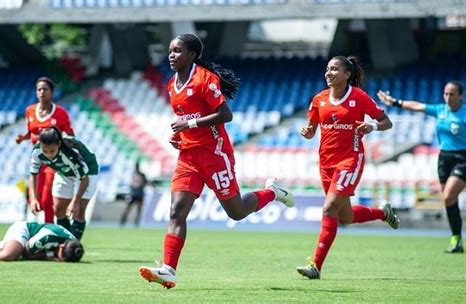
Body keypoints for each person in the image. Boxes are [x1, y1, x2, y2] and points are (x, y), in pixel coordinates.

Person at [138, 33, 294, 289]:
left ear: (192, 55)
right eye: (170, 51)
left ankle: (273, 192)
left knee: (237, 212)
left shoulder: (205, 79)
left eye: (177, 51)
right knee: (177, 210)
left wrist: (187, 124)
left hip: (214, 154)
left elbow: (225, 114)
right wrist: (180, 134)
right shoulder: (171, 84)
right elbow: (187, 117)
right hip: (188, 156)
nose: (171, 55)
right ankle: (169, 270)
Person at [298, 55, 399, 280]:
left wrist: (372, 125)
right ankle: (383, 213)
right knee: (345, 216)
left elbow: (386, 121)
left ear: (347, 74)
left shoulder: (359, 97)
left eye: (335, 69)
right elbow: (312, 129)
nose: (329, 73)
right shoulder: (318, 99)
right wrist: (307, 133)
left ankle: (315, 265)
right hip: (326, 163)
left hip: (349, 161)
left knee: (328, 209)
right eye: (327, 69)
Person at [377, 81, 464, 253]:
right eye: (445, 94)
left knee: (448, 196)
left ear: (460, 96)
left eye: (452, 94)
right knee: (449, 200)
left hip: (463, 157)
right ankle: (457, 239)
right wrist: (395, 102)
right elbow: (417, 106)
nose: (448, 97)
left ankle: (456, 239)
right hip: (444, 159)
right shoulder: (440, 110)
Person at [16, 77, 75, 224]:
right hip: (37, 157)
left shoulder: (60, 113)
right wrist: (22, 138)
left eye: (45, 89)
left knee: (47, 197)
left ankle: (49, 226)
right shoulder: (30, 111)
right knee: (34, 196)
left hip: (53, 159)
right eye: (39, 89)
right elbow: (32, 132)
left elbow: (70, 135)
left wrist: (65, 142)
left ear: (52, 92)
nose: (42, 92)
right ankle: (32, 226)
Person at [29, 127, 99, 240]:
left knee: (78, 210)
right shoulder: (36, 152)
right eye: (45, 151)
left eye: (52, 151)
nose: (48, 155)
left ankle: (72, 244)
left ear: (59, 144)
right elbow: (33, 174)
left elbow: (84, 179)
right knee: (58, 210)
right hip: (64, 172)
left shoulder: (70, 155)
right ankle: (64, 242)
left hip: (87, 173)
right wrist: (33, 199)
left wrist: (75, 202)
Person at [0, 221, 84, 262]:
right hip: (24, 230)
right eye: (62, 256)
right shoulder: (48, 235)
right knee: (9, 255)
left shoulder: (73, 242)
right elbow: (26, 253)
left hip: (38, 244)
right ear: (62, 246)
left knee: (15, 251)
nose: (61, 260)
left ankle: (4, 246)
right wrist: (51, 254)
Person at [120, 162, 149, 227]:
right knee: (133, 209)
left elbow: (133, 184)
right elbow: (145, 182)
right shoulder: (140, 175)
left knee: (133, 209)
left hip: (136, 194)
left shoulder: (135, 174)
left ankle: (127, 222)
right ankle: (126, 221)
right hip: (136, 194)